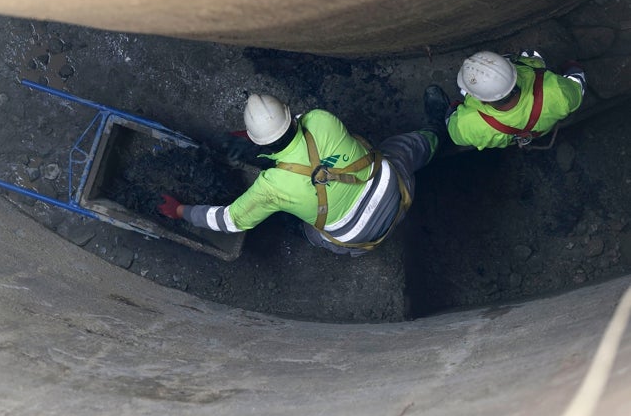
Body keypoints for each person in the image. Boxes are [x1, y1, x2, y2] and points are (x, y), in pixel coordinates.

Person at [157, 91, 448, 257]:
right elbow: (298, 128)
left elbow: (230, 221)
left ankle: (302, 233)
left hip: (359, 239)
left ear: (256, 141)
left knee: (312, 231)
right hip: (397, 189)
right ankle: (439, 130)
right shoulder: (321, 119)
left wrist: (182, 211)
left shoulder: (270, 187)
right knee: (408, 148)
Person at [440, 50, 586, 150]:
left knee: (454, 111)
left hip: (508, 138)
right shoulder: (558, 92)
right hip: (542, 128)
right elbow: (578, 88)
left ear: (482, 101)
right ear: (514, 74)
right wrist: (573, 67)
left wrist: (454, 107)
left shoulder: (469, 125)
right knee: (530, 56)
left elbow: (454, 133)